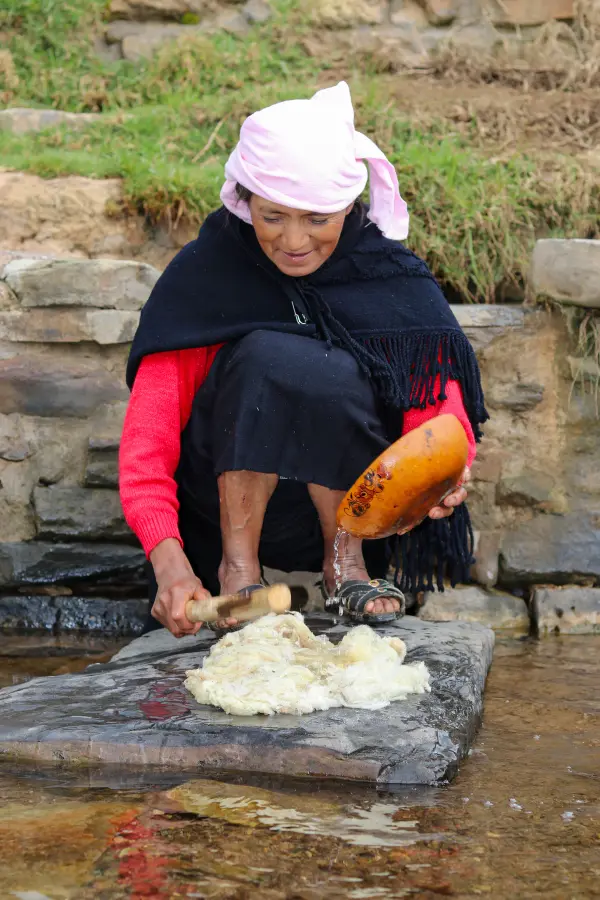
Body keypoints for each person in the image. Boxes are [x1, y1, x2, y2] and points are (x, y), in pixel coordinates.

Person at [119, 82, 488, 638]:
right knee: (268, 357)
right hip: (217, 502)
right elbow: (148, 438)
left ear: (348, 205)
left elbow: (437, 411)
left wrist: (446, 470)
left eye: (317, 219)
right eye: (273, 217)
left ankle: (347, 566)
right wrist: (170, 563)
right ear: (245, 202)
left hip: (354, 506)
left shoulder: (388, 274)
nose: (294, 240)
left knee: (327, 368)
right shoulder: (206, 275)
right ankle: (239, 572)